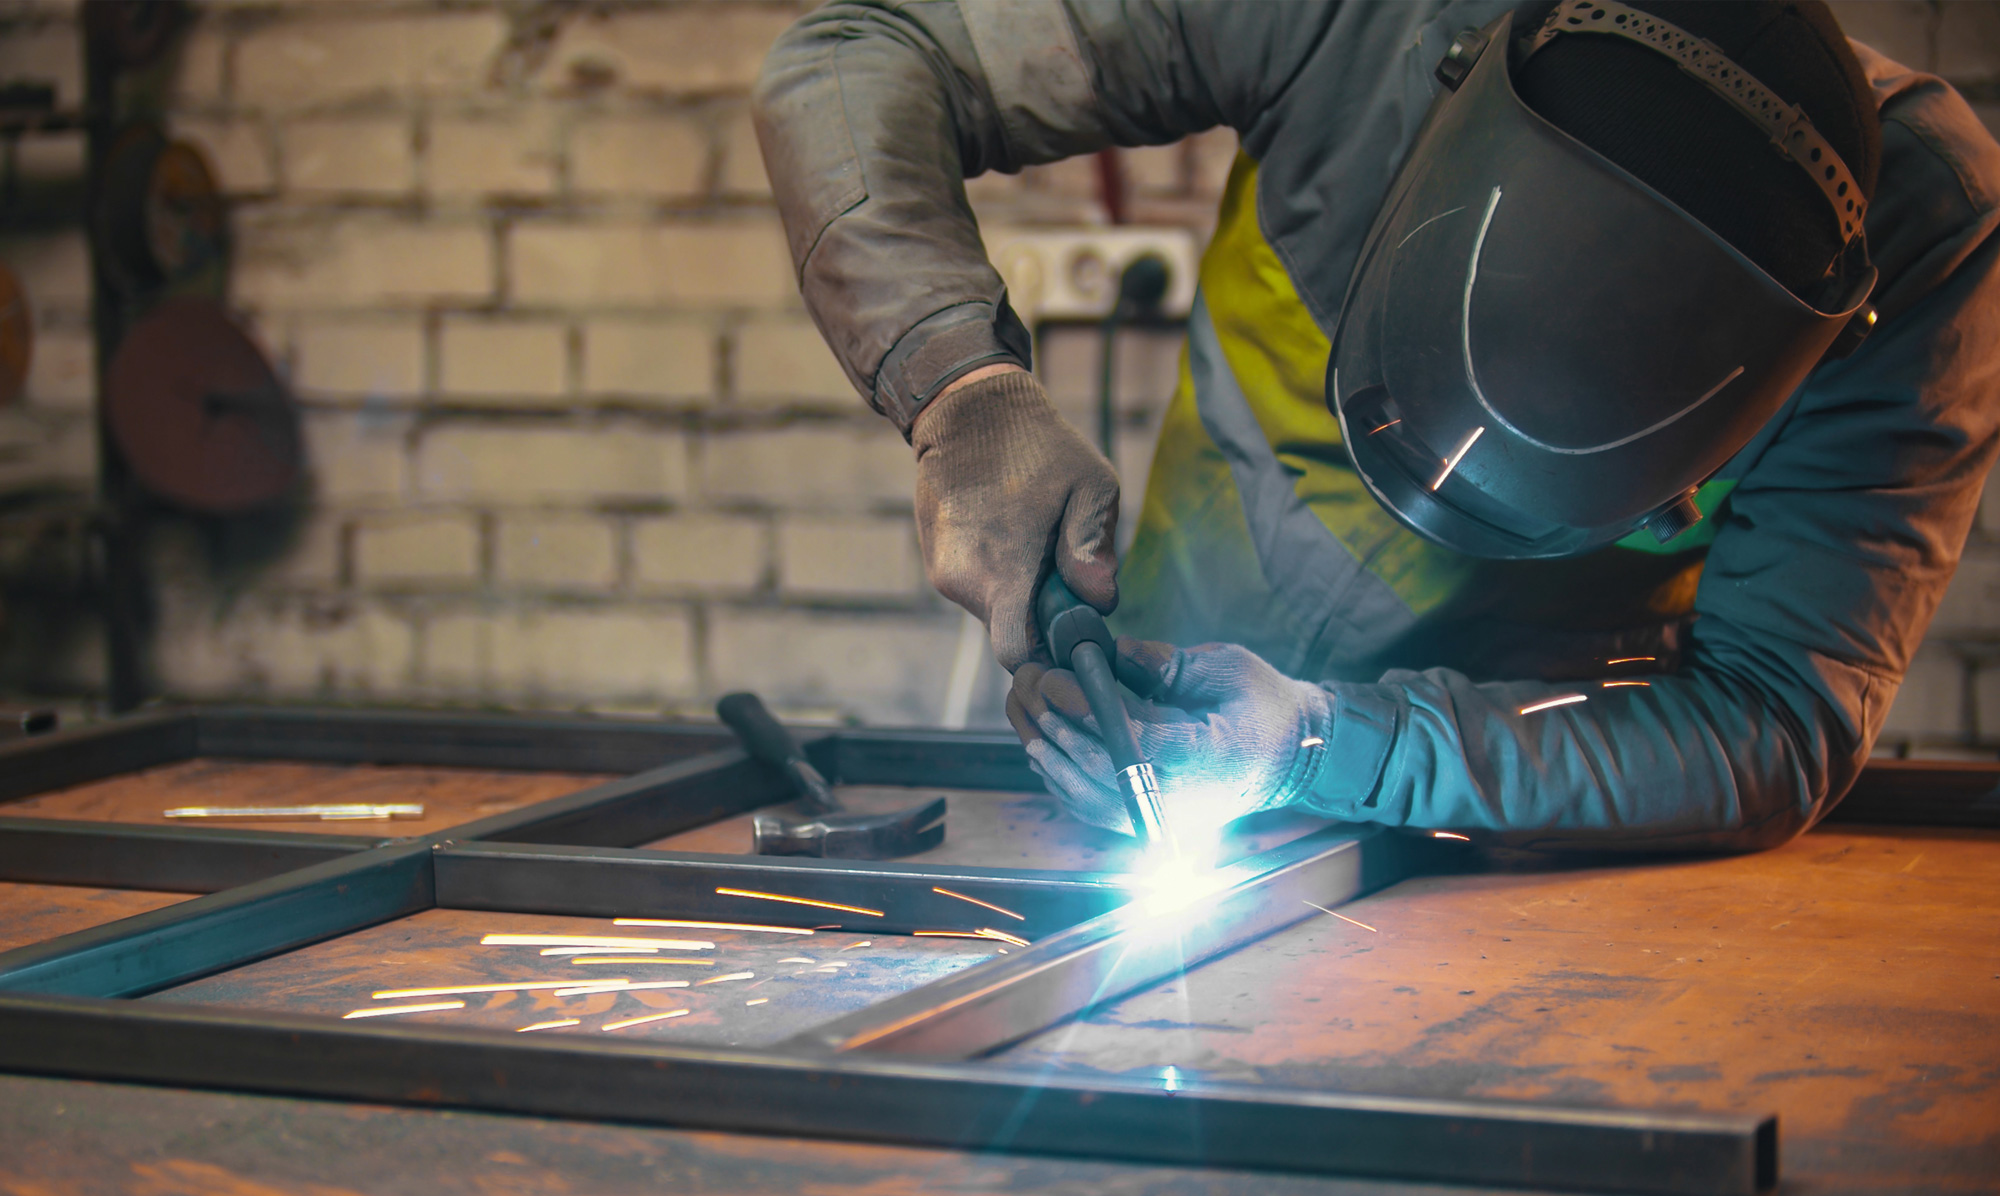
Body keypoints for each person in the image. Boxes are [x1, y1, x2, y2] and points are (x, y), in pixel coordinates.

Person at [753, 0, 2000, 851]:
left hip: (1512, 838)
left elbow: (1774, 717)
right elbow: (857, 55)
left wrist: (1322, 744)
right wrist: (960, 386)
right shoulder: (1352, 19)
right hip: (1161, 708)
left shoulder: (1926, 238)